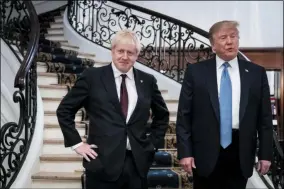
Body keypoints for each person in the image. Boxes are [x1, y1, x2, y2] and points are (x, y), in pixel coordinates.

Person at [56, 29, 169, 189]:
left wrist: (152, 144)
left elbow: (162, 115)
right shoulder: (92, 77)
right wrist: (76, 143)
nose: (124, 56)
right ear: (112, 51)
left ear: (137, 55)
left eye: (130, 52)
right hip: (101, 162)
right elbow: (64, 110)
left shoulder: (148, 81)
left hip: (137, 164)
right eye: (120, 51)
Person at [176, 20, 273, 189]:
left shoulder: (256, 73)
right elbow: (184, 116)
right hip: (205, 150)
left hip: (240, 150)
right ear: (213, 46)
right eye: (223, 37)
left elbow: (264, 119)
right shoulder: (196, 72)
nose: (230, 41)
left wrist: (266, 154)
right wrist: (185, 153)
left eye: (233, 36)